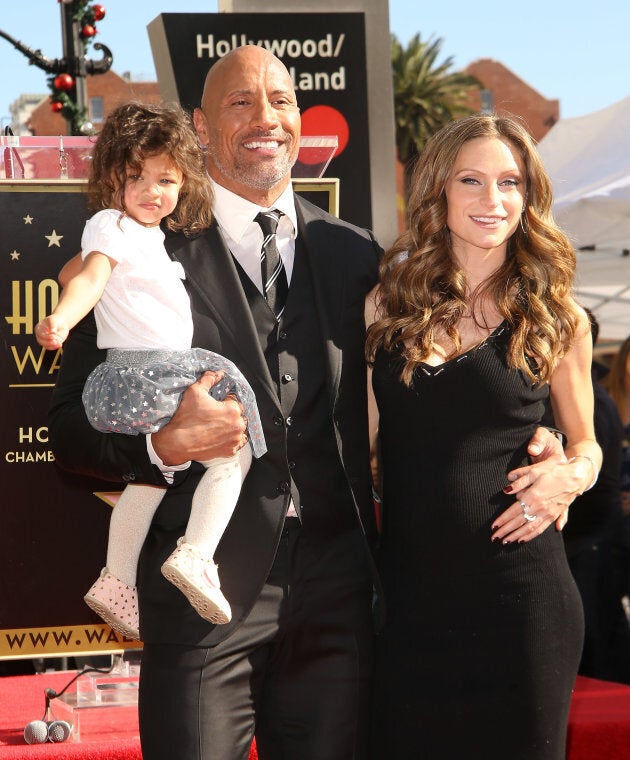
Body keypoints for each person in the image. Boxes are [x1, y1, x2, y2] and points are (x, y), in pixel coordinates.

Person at [48, 49, 566, 760]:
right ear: (199, 126)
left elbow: (452, 396)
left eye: (283, 100)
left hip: (341, 601)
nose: (267, 118)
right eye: (241, 103)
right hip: (207, 599)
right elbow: (70, 428)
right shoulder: (143, 251)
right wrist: (162, 445)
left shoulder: (359, 257)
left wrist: (557, 451)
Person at [365, 113, 602, 759]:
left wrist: (568, 478)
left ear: (529, 198)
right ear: (439, 189)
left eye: (510, 182)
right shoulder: (387, 305)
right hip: (410, 605)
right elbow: (360, 451)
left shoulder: (557, 317)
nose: (491, 200)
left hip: (523, 604)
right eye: (472, 180)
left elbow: (588, 444)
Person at [36, 101, 266, 639]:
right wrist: (63, 319)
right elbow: (88, 279)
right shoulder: (113, 226)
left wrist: (78, 266)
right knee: (232, 454)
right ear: (112, 178)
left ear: (184, 182)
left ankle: (116, 578)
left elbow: (80, 265)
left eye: (166, 179)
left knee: (153, 475)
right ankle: (196, 554)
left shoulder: (136, 235)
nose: (151, 190)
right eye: (135, 176)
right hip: (147, 374)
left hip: (139, 380)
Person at [562, 309, 630, 683]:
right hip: (593, 538)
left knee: (599, 640)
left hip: (594, 540)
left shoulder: (589, 402)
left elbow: (595, 480)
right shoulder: (593, 397)